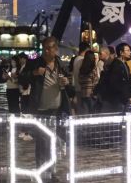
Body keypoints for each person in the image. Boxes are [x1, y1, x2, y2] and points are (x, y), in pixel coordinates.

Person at [19, 37, 73, 171]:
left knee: (53, 141)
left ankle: (51, 170)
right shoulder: (36, 63)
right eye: (45, 48)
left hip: (58, 109)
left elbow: (70, 84)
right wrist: (34, 73)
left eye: (50, 48)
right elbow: (21, 78)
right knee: (42, 141)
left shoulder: (60, 63)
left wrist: (66, 82)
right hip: (40, 109)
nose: (47, 51)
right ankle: (42, 170)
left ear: (56, 49)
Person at [97, 43, 131, 113]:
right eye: (127, 50)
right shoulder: (116, 65)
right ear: (121, 53)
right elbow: (114, 83)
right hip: (117, 101)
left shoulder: (124, 64)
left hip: (122, 99)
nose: (130, 52)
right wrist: (124, 95)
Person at [72, 42, 91, 114]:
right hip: (83, 88)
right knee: (84, 111)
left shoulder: (76, 59)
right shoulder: (83, 60)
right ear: (86, 50)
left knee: (80, 110)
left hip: (77, 87)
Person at [78, 50, 99, 114]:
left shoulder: (81, 69)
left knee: (85, 115)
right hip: (91, 94)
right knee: (92, 114)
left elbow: (80, 81)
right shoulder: (93, 68)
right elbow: (95, 81)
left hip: (83, 94)